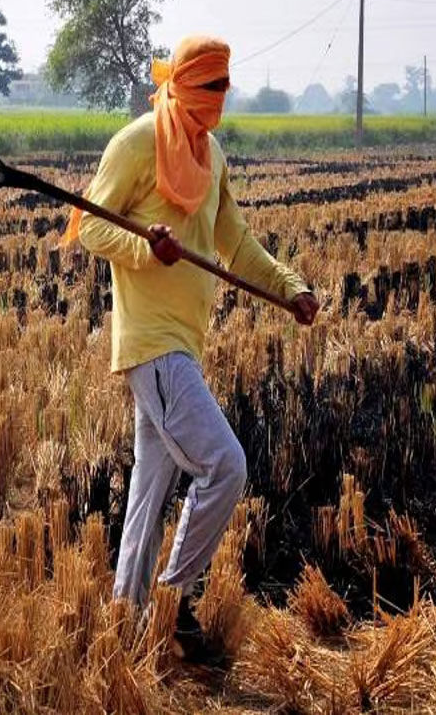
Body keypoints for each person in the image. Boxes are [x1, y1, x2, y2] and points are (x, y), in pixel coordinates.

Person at [75, 35, 319, 658]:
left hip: (185, 342)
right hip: (152, 344)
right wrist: (143, 247)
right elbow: (91, 225)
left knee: (149, 493)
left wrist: (289, 288)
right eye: (213, 87)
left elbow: (235, 244)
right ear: (184, 86)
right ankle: (171, 597)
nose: (222, 98)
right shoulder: (135, 144)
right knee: (225, 464)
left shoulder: (211, 155)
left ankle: (125, 626)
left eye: (225, 87)